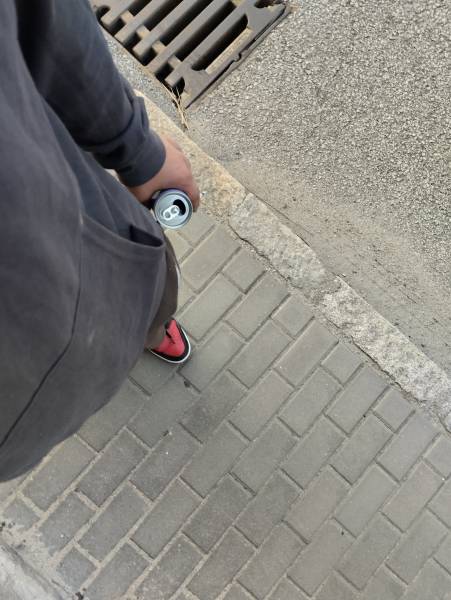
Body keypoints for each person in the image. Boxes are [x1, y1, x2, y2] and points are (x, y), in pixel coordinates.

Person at [0, 0, 199, 481]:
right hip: (16, 414)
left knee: (151, 296)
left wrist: (138, 150)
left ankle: (153, 329)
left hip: (85, 234)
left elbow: (41, 17)